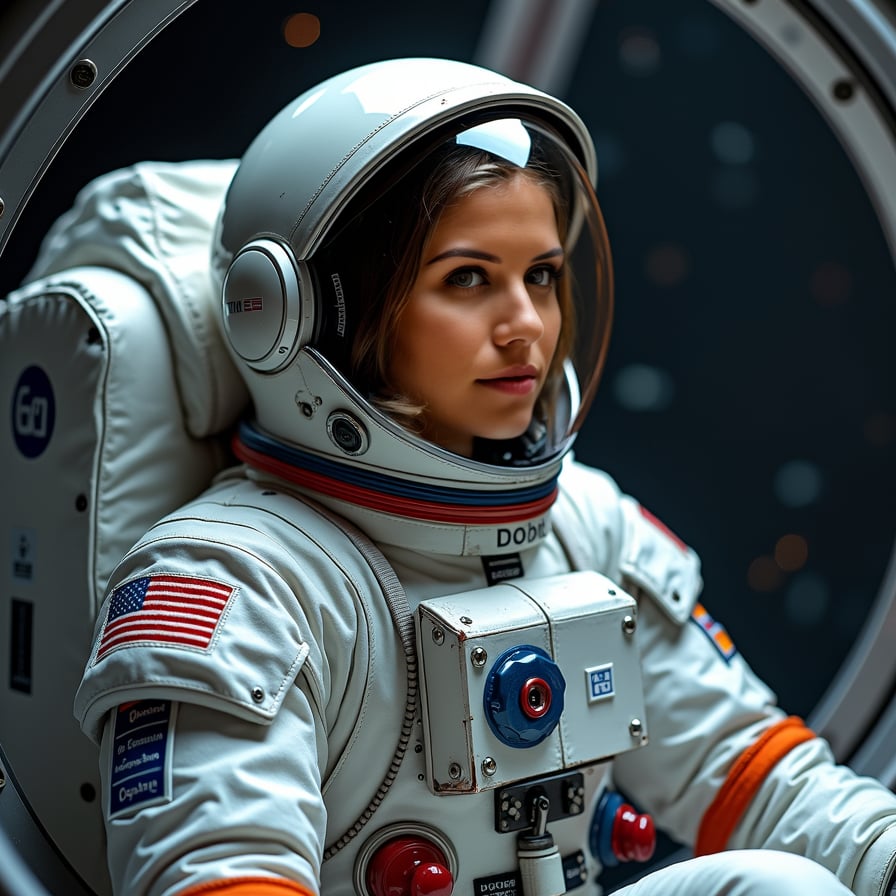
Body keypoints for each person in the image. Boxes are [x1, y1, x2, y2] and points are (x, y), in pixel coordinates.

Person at [73, 58, 896, 896]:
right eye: (468, 279)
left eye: (540, 275)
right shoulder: (237, 580)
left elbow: (755, 776)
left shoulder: (582, 524)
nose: (527, 327)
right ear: (305, 315)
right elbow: (222, 874)